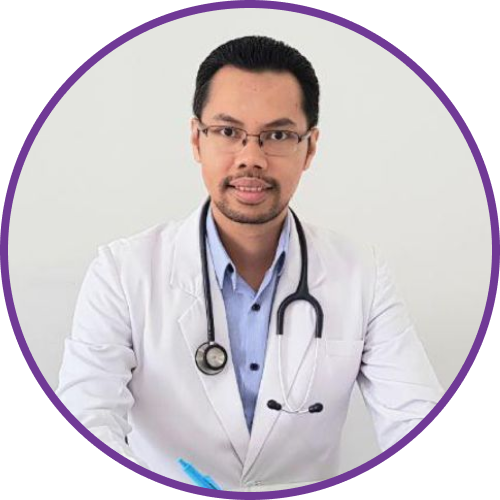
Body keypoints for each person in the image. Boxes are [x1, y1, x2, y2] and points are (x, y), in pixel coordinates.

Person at [56, 35, 443, 491]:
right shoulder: (122, 273)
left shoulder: (362, 274)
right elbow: (87, 419)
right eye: (228, 132)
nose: (251, 158)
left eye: (278, 135)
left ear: (310, 147)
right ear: (196, 140)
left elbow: (414, 418)